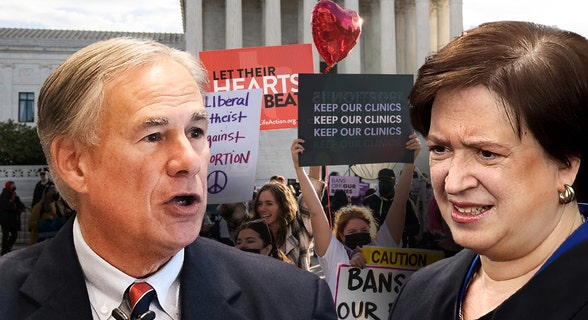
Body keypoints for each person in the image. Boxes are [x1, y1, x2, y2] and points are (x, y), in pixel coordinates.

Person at [0, 37, 336, 319]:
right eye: (154, 135)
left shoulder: (295, 302)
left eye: (196, 131)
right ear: (75, 163)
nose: (190, 160)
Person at [389, 21, 588, 319]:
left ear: (566, 164)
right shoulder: (419, 291)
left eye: (487, 153)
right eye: (441, 149)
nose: (453, 182)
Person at [292, 134, 421, 299]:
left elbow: (399, 204)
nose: (359, 235)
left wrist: (410, 161)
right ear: (341, 236)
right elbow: (316, 211)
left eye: (363, 230)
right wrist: (299, 169)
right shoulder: (333, 253)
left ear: (371, 230)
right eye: (352, 232)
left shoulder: (381, 246)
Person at [249, 181, 313, 270]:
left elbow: (312, 193)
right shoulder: (249, 233)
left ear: (283, 206)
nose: (262, 209)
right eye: (259, 204)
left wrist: (300, 169)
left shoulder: (297, 231)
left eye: (269, 204)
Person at [362, 167, 420, 247]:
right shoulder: (368, 202)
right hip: (374, 248)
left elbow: (415, 227)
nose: (383, 183)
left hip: (397, 249)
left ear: (394, 181)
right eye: (381, 181)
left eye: (387, 180)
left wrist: (398, 230)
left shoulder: (404, 202)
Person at [0, 181, 25, 255]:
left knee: (14, 234)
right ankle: (4, 251)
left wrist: (20, 208)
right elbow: (5, 205)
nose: (14, 186)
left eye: (14, 184)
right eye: (12, 185)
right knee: (6, 235)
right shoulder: (4, 194)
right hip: (6, 219)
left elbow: (19, 203)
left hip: (13, 219)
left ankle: (8, 247)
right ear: (8, 186)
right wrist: (15, 209)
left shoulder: (14, 195)